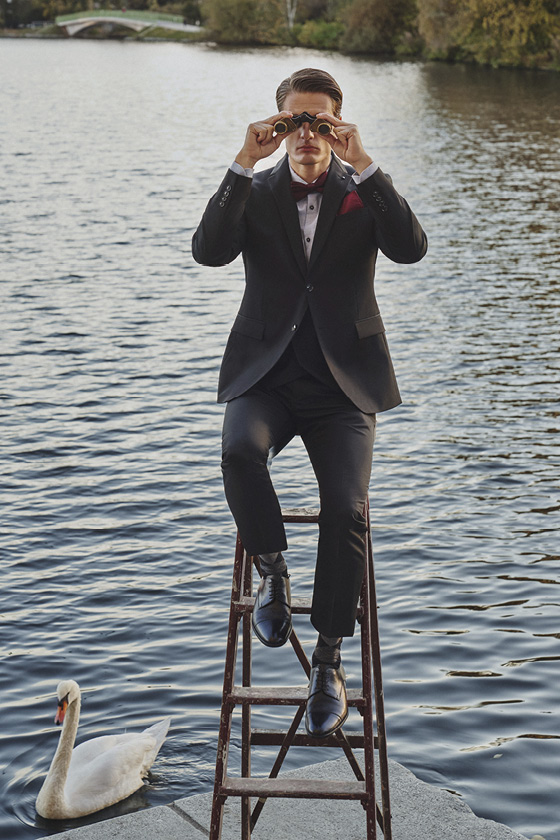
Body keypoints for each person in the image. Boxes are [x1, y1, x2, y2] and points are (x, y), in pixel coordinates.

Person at [192, 68, 427, 739]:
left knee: (346, 509)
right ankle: (272, 569)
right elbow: (208, 252)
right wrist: (243, 161)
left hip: (343, 387)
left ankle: (327, 660)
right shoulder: (254, 189)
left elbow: (411, 250)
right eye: (295, 121)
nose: (307, 134)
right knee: (238, 453)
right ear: (278, 126)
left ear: (337, 126)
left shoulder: (362, 190)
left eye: (320, 122)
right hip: (266, 376)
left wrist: (366, 164)